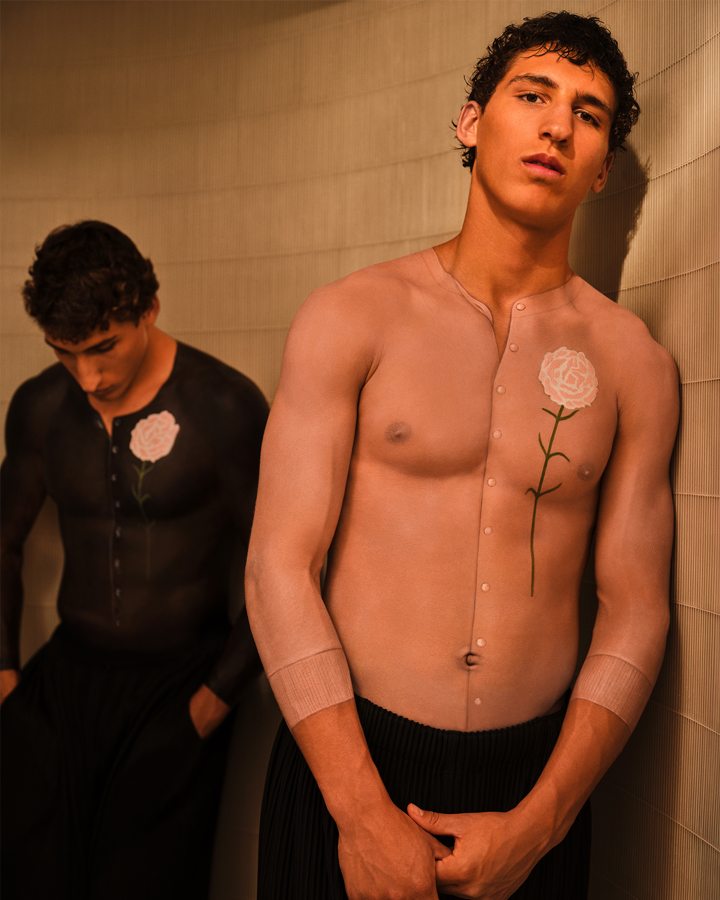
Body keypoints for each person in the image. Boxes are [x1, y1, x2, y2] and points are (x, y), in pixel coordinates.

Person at [246, 11, 679, 900]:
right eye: (533, 95)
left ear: (601, 171)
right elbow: (278, 566)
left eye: (589, 115)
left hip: (535, 776)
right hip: (350, 757)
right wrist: (361, 814)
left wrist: (543, 821)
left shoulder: (635, 361)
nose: (558, 124)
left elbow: (634, 606)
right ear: (471, 121)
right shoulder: (352, 316)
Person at [0, 221, 269, 900]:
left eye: (102, 347)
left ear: (148, 309)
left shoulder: (224, 407)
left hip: (179, 687)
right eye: (64, 353)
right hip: (65, 682)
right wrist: (6, 679)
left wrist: (211, 705)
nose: (87, 376)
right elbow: (0, 541)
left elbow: (278, 570)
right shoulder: (39, 407)